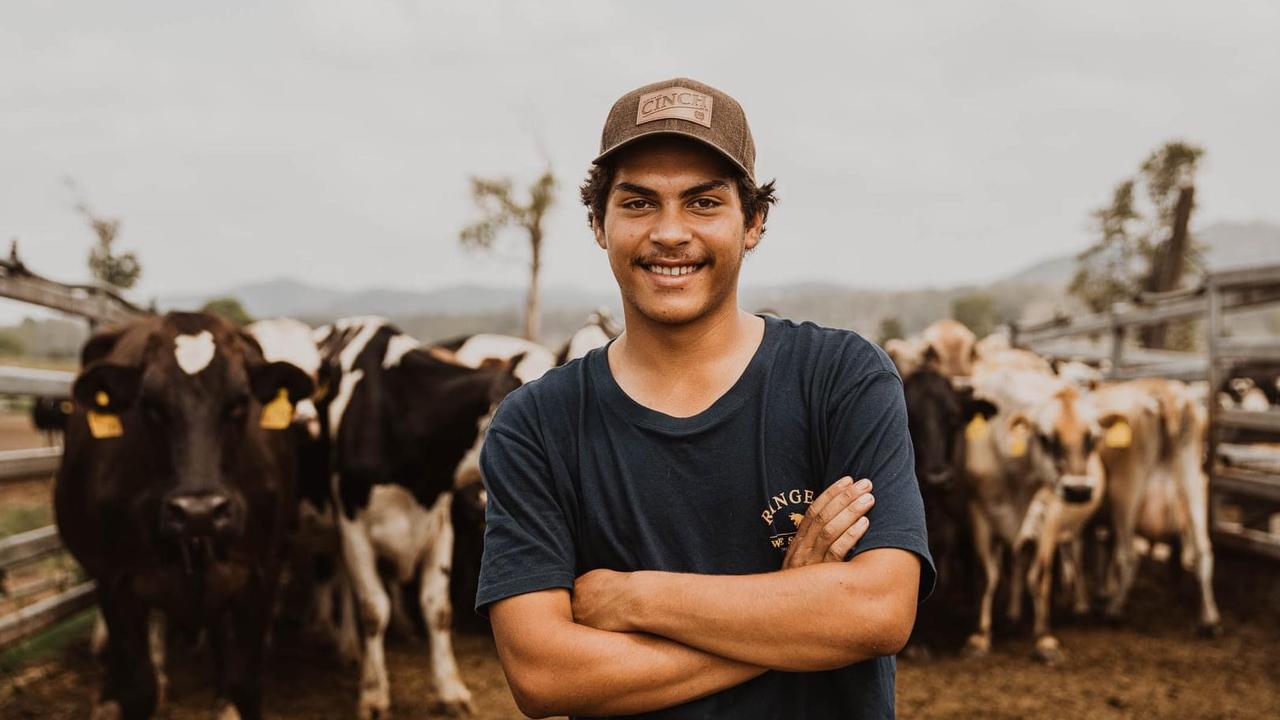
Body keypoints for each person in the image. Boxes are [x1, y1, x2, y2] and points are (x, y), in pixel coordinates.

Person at [477, 77, 935, 719]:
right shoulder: (536, 425)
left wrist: (636, 598)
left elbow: (878, 611)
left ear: (754, 222)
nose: (670, 232)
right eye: (638, 203)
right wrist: (794, 608)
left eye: (703, 203)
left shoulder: (840, 378)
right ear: (598, 224)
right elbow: (544, 673)